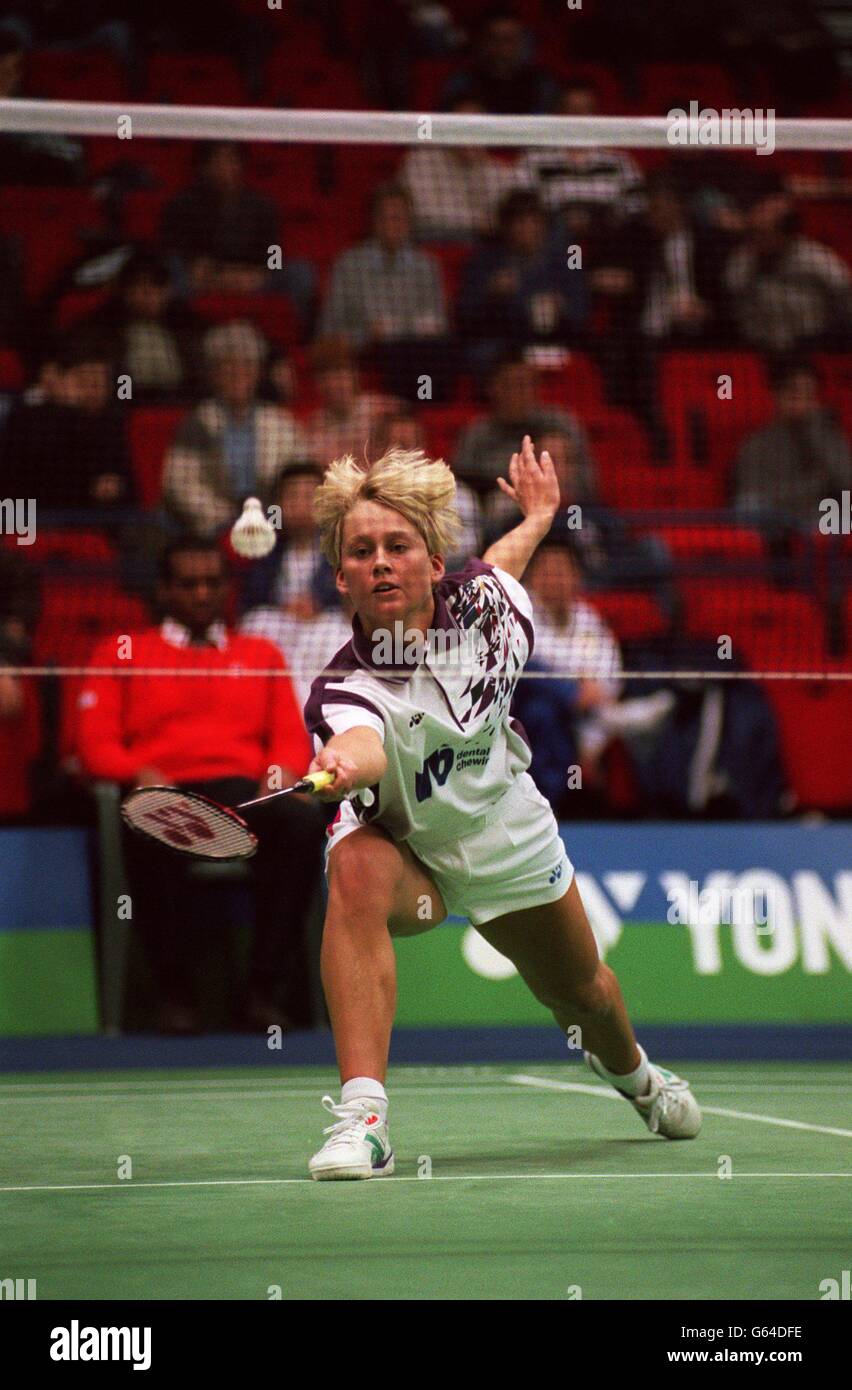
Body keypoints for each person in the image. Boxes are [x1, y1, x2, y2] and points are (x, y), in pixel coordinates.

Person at [301, 437, 701, 1180]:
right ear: (341, 580)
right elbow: (363, 747)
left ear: (433, 564)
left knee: (584, 994)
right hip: (405, 846)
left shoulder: (488, 605)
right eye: (361, 552)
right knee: (350, 868)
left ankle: (640, 1078)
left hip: (501, 828)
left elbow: (505, 560)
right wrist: (337, 763)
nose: (381, 561)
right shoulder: (343, 689)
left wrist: (542, 514)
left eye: (397, 545)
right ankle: (366, 1120)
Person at [75, 536, 327, 1034]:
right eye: (188, 584)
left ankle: (263, 992)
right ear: (164, 590)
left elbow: (288, 740)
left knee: (300, 820)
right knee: (142, 825)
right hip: (163, 794)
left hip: (241, 792)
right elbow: (93, 744)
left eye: (212, 583)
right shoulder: (122, 651)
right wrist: (135, 774)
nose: (201, 594)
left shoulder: (260, 652)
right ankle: (174, 996)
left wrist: (274, 780)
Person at [162, 320, 305, 536]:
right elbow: (179, 483)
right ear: (214, 374)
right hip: (213, 527)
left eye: (247, 364)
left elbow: (300, 477)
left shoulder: (280, 422)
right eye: (228, 365)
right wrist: (227, 517)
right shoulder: (198, 422)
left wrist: (273, 517)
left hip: (275, 525)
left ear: (258, 372)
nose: (238, 373)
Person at [457, 189, 589, 370]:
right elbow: (464, 316)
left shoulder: (567, 260)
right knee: (483, 355)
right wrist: (491, 293)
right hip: (501, 343)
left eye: (534, 221)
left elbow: (581, 314)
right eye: (520, 222)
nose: (528, 229)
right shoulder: (484, 260)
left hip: (549, 342)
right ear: (506, 226)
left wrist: (562, 307)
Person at [724, 190, 852, 354]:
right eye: (754, 232)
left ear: (786, 234)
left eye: (763, 233)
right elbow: (733, 295)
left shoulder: (815, 258)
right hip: (760, 350)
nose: (756, 239)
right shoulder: (742, 259)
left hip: (813, 348)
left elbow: (846, 294)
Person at [453, 352, 596, 494]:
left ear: (537, 389)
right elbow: (459, 482)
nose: (518, 393)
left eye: (524, 385)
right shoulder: (478, 431)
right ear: (492, 389)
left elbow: (586, 482)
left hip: (557, 504)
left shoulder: (560, 423)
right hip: (494, 507)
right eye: (510, 386)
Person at [732, 359, 852, 520]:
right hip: (780, 528)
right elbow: (750, 501)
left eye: (809, 395)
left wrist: (816, 432)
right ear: (776, 395)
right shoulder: (756, 445)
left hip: (826, 523)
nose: (802, 401)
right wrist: (816, 485)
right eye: (794, 394)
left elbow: (846, 482)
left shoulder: (829, 437)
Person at [400, 95, 524, 241]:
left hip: (482, 251)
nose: (469, 135)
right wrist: (477, 222)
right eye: (463, 127)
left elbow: (515, 211)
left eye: (476, 128)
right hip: (432, 243)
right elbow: (423, 213)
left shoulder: (497, 170)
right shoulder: (421, 160)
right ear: (447, 128)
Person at [239, 460, 338, 615]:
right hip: (280, 621)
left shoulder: (337, 550)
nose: (300, 505)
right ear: (277, 505)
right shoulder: (267, 552)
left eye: (309, 496)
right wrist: (283, 607)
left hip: (322, 624)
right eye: (292, 497)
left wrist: (317, 603)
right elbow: (252, 598)